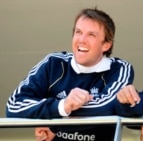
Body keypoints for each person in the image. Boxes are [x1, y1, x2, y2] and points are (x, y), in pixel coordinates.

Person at [6, 7, 134, 141]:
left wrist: (54, 123)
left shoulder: (119, 68)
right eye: (78, 32)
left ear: (106, 45)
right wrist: (62, 105)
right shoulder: (53, 63)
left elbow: (107, 107)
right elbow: (14, 106)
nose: (82, 40)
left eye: (91, 35)